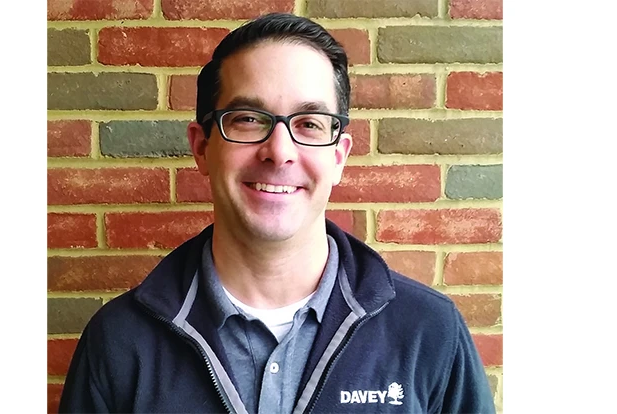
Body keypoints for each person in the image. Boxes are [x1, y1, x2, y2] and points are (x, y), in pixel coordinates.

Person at [58, 13, 495, 414]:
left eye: (309, 124)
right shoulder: (118, 342)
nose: (280, 151)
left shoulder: (429, 333)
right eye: (249, 119)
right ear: (202, 147)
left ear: (339, 156)